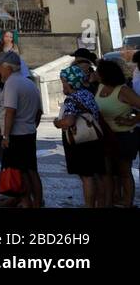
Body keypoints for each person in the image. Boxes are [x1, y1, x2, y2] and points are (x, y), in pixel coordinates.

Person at [54, 64, 110, 207]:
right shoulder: (88, 94)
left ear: (71, 82)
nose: (63, 85)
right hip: (95, 139)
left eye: (64, 82)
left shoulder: (72, 99)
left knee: (87, 177)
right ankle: (102, 204)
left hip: (81, 142)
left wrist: (57, 123)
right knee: (97, 175)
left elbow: (69, 121)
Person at [0, 52, 43, 208]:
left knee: (21, 172)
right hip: (29, 132)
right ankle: (35, 202)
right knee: (31, 170)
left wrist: (6, 136)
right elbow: (38, 112)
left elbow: (10, 111)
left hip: (17, 135)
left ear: (7, 67)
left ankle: (27, 202)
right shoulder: (29, 83)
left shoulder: (11, 84)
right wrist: (31, 125)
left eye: (0, 67)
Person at [94, 58, 140, 207]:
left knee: (124, 172)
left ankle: (128, 202)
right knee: (110, 172)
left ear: (106, 74)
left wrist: (132, 120)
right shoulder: (100, 87)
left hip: (124, 136)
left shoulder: (123, 90)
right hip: (106, 136)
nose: (96, 74)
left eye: (98, 72)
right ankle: (114, 198)